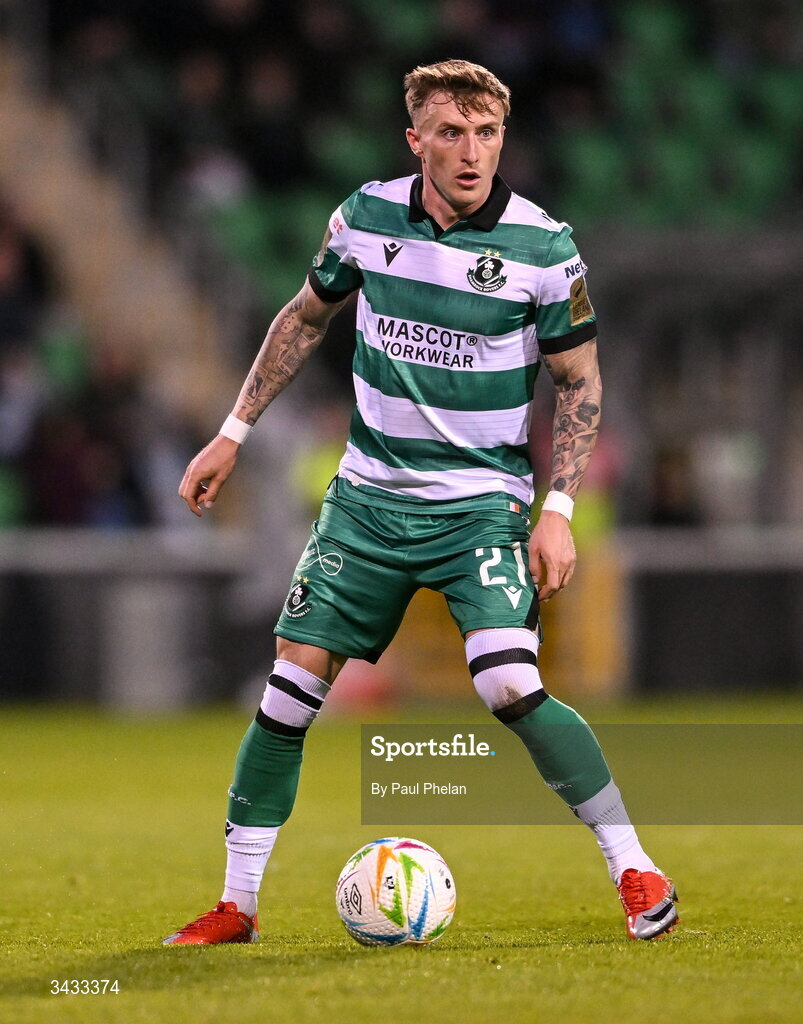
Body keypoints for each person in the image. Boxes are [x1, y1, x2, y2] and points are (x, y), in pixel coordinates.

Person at [166, 59, 678, 945]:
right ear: (416, 141)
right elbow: (302, 318)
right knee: (287, 693)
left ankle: (634, 866)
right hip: (365, 501)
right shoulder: (364, 218)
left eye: (486, 133)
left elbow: (579, 382)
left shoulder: (543, 247)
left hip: (478, 503)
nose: (471, 151)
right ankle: (236, 906)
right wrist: (233, 433)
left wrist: (555, 512)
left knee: (511, 682)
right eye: (451, 133)